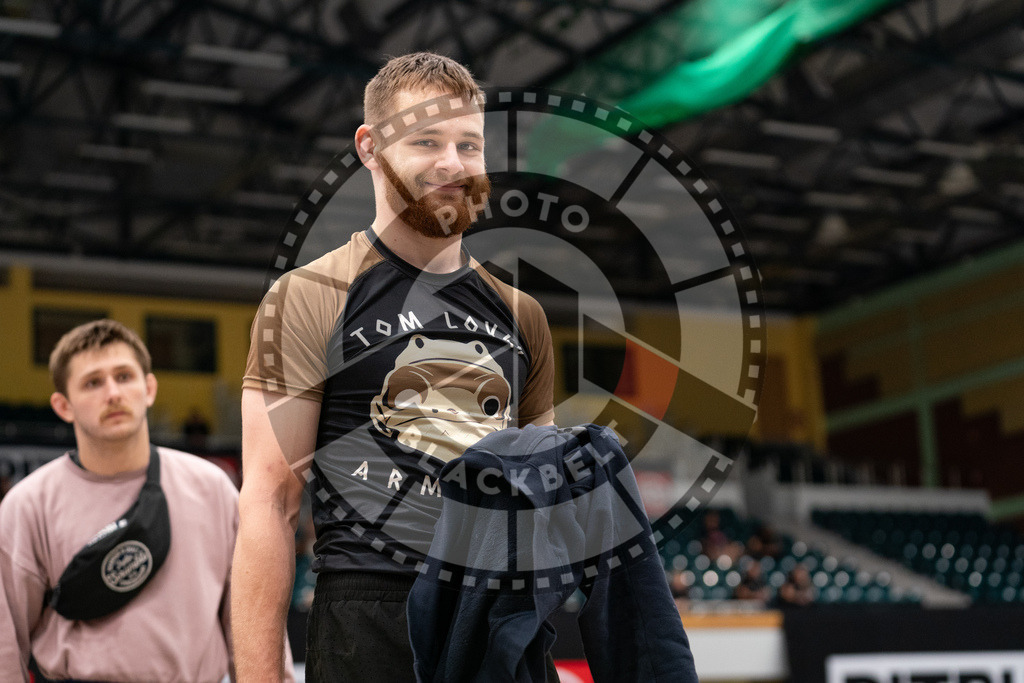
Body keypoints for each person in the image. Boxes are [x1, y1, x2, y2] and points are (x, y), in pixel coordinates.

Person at [233, 52, 556, 681]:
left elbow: (535, 502)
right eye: (426, 140)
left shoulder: (523, 315)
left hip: (495, 617)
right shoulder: (310, 296)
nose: (452, 163)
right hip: (367, 619)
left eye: (469, 145)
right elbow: (270, 503)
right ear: (371, 148)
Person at [0, 320, 294, 682]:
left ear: (149, 388)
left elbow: (254, 620)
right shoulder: (28, 505)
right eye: (93, 382)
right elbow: (5, 643)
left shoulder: (212, 489)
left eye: (124, 376)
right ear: (63, 406)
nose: (113, 393)